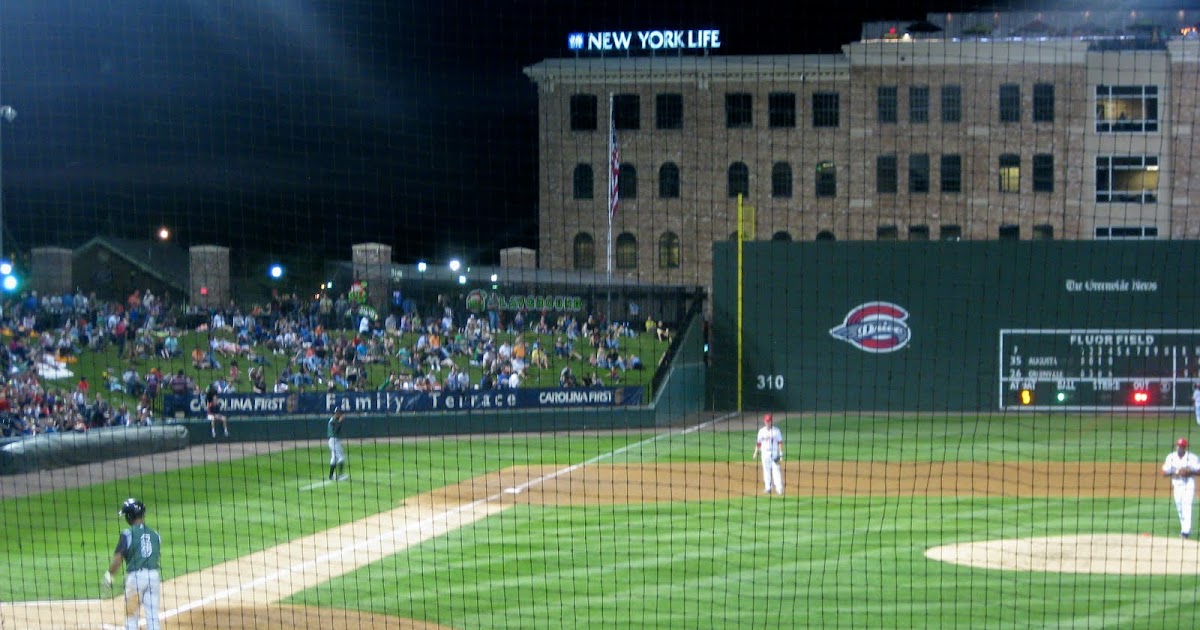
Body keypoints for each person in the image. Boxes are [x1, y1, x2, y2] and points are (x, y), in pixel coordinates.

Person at [104, 498, 162, 630]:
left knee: (131, 616)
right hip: (154, 577)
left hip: (136, 580)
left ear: (130, 516)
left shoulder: (127, 534)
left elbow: (118, 558)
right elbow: (156, 556)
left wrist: (109, 576)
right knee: (153, 617)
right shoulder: (156, 535)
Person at [1163, 437, 1200, 539]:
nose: (1180, 448)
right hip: (1177, 485)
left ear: (1185, 447)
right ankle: (1184, 528)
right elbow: (1165, 473)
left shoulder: (1192, 457)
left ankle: (1185, 532)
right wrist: (1177, 472)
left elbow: (1199, 470)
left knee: (1187, 506)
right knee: (1179, 507)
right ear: (1176, 446)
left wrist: (1189, 472)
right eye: (1178, 446)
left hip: (1189, 485)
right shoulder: (1171, 457)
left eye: (1182, 446)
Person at [752, 413, 784, 496]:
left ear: (771, 421)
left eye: (769, 421)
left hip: (774, 453)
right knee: (766, 471)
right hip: (764, 453)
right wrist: (756, 452)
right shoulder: (761, 431)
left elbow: (780, 442)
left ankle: (779, 489)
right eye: (766, 421)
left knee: (776, 470)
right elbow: (758, 443)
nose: (767, 423)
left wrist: (781, 453)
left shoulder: (776, 431)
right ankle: (768, 488)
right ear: (764, 421)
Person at [327, 409, 348, 481]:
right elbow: (335, 430)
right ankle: (341, 475)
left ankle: (331, 476)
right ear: (337, 413)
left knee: (334, 458)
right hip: (334, 441)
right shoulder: (333, 421)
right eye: (340, 414)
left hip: (333, 441)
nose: (341, 415)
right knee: (341, 457)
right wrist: (340, 422)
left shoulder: (333, 419)